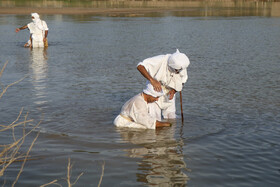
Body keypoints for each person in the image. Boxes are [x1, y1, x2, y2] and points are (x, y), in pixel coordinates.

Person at [137, 49, 190, 120]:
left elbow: (182, 81)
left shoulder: (181, 66)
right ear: (171, 65)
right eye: (176, 70)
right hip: (155, 89)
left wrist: (174, 91)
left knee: (171, 117)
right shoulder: (160, 60)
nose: (178, 72)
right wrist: (152, 80)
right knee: (154, 118)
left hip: (170, 90)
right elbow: (140, 66)